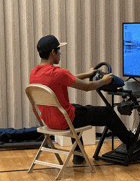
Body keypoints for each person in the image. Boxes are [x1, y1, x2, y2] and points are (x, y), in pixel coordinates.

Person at [29, 35, 133, 163]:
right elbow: (87, 87)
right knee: (107, 112)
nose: (60, 54)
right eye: (59, 50)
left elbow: (68, 78)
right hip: (65, 122)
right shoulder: (57, 72)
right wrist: (103, 81)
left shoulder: (35, 73)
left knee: (79, 108)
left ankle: (79, 156)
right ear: (52, 52)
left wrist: (88, 74)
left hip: (49, 121)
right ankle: (131, 143)